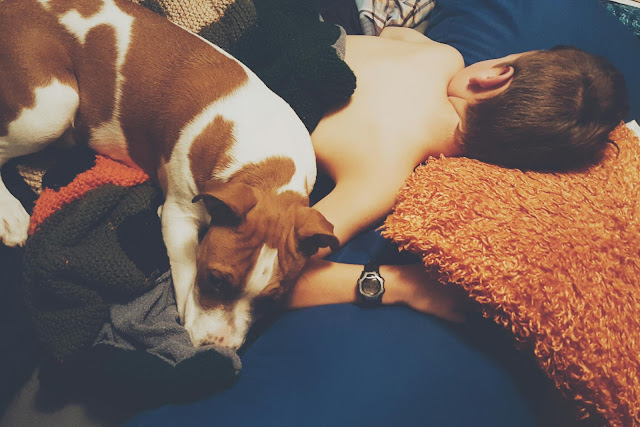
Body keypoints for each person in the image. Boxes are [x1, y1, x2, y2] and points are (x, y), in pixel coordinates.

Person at [286, 27, 629, 320]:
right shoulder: (383, 176)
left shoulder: (443, 56)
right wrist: (405, 285)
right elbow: (275, 266)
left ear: (494, 75)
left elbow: (391, 31)